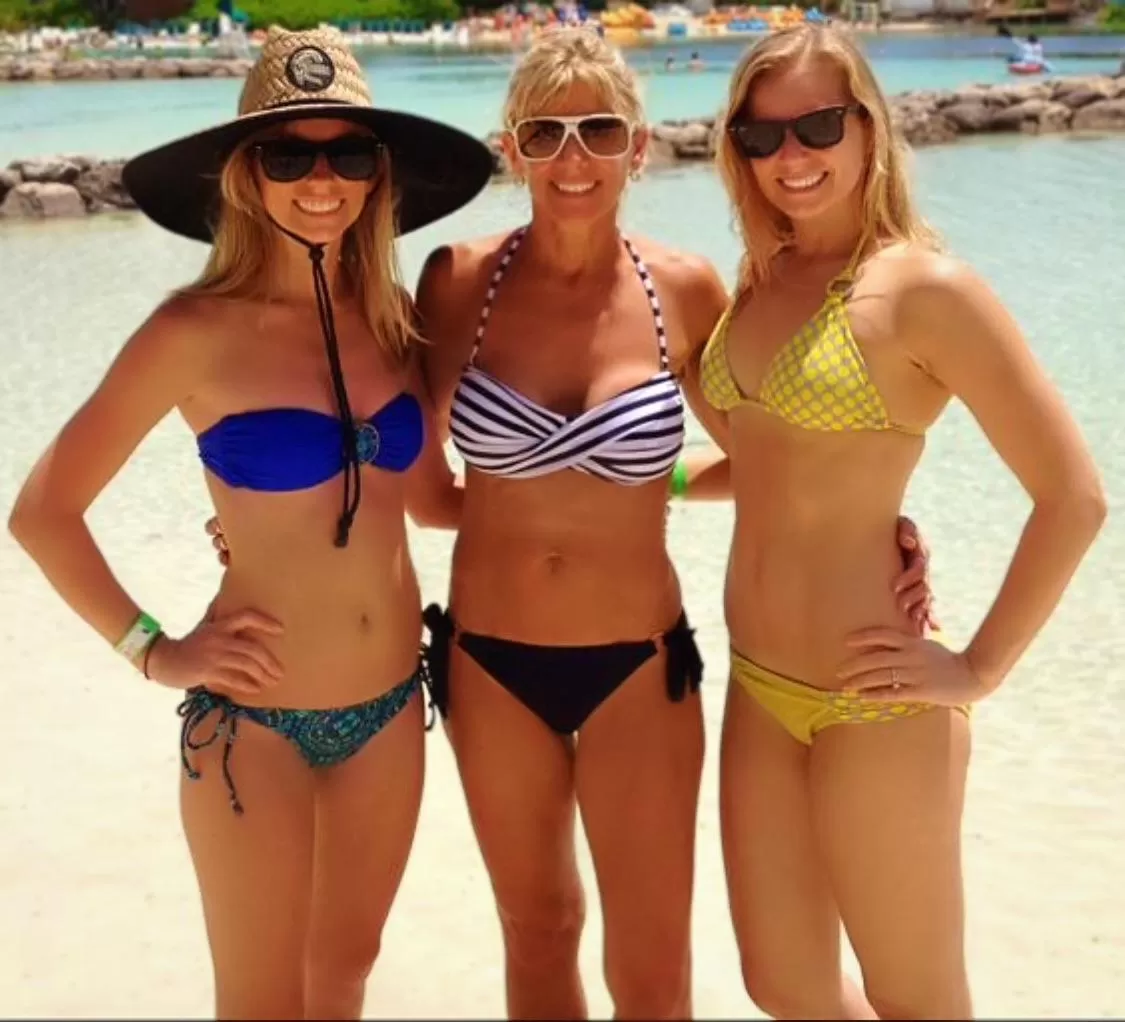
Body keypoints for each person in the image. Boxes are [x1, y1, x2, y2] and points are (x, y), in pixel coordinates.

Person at [411, 27, 932, 1021]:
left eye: (599, 131)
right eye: (544, 133)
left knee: (652, 971)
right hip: (486, 661)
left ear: (639, 148)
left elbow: (772, 455)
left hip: (638, 669)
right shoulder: (457, 281)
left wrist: (875, 521)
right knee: (537, 931)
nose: (573, 157)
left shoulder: (684, 289)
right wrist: (260, 530)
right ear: (511, 148)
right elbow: (417, 480)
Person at [7, 26, 493, 1021]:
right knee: (261, 1002)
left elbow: (432, 500)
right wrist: (156, 650)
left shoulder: (395, 319)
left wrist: (617, 488)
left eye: (348, 154)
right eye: (288, 156)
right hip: (254, 725)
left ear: (378, 175)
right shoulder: (191, 332)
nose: (322, 182)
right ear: (245, 174)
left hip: (391, 708)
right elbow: (44, 513)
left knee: (343, 981)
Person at [690, 23, 1105, 1020]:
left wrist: (979, 667)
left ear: (869, 128)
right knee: (783, 983)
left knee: (914, 997)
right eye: (761, 135)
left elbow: (1073, 496)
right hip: (758, 686)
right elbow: (769, 464)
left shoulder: (925, 289)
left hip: (875, 698)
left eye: (818, 126)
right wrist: (629, 482)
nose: (791, 155)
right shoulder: (760, 277)